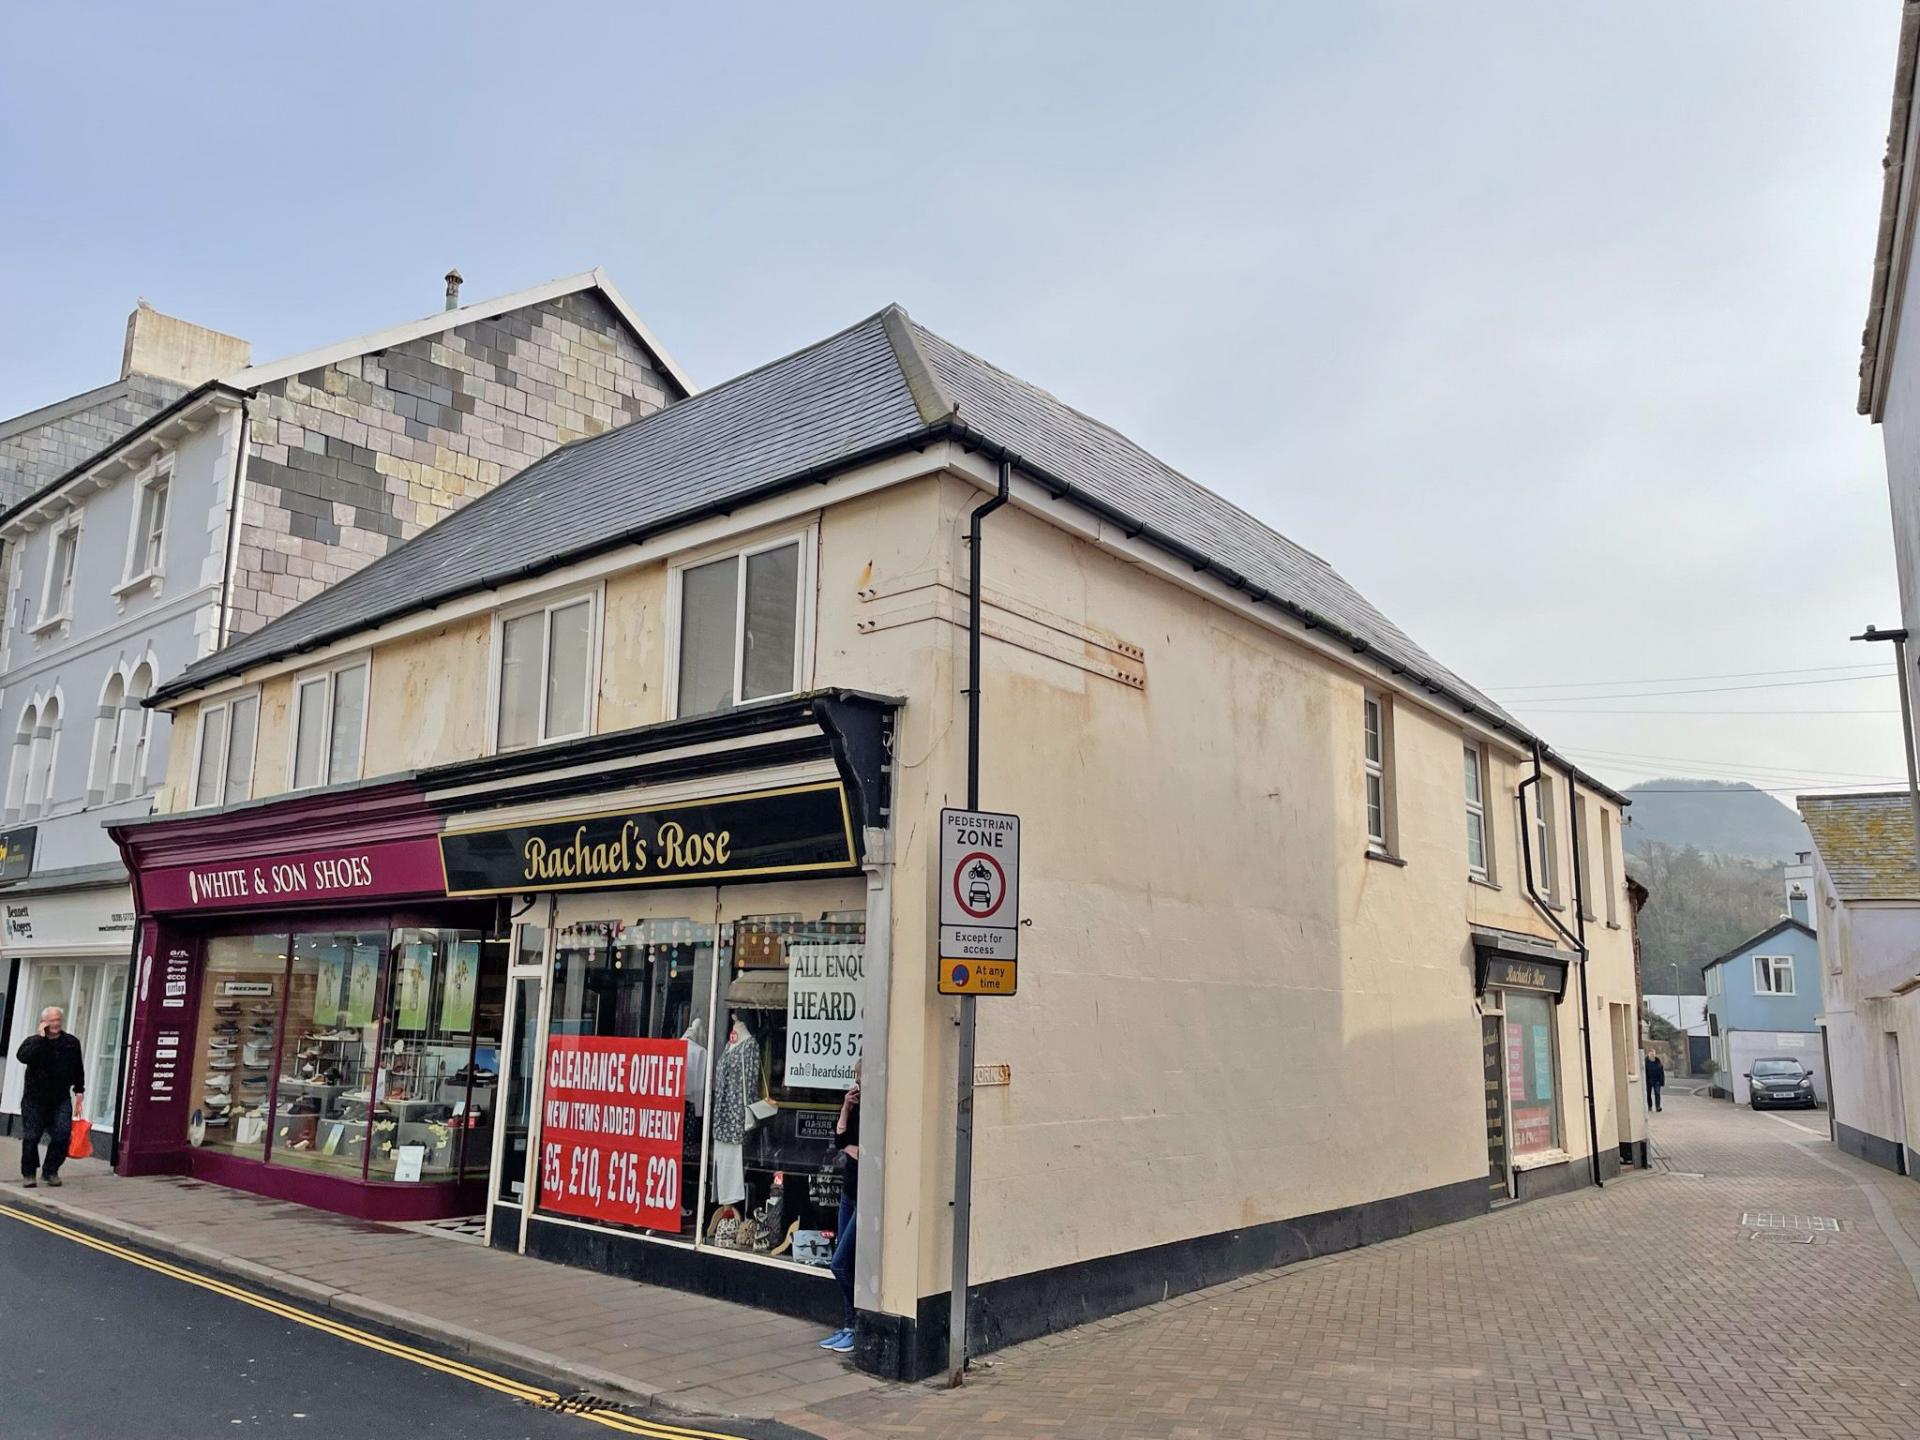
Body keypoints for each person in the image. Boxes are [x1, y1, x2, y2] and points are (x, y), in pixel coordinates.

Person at [15, 1006, 85, 1187]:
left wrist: (79, 1092)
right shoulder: (33, 1042)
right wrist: (40, 1037)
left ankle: (51, 1171)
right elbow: (22, 1057)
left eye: (58, 1020)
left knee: (62, 1135)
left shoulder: (71, 1043)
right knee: (31, 1137)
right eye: (52, 1020)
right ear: (43, 1022)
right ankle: (29, 1174)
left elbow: (78, 1067)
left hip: (60, 1098)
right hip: (34, 1099)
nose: (56, 1024)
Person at [820, 1060, 860, 1355]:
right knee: (847, 1263)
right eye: (855, 1078)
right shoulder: (857, 1107)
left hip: (864, 1196)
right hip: (849, 1192)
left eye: (860, 1078)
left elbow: (866, 1151)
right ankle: (849, 1326)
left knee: (840, 1263)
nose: (857, 1084)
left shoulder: (878, 1109)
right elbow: (840, 1141)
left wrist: (851, 1148)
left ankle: (859, 1322)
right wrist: (845, 1107)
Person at [1644, 1048, 1666, 1113]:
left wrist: (1661, 1081)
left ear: (1655, 1055)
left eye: (1653, 1054)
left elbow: (1662, 1073)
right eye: (1651, 1054)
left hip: (1657, 1080)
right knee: (1648, 1094)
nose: (1652, 1055)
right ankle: (1650, 1106)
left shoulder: (1658, 1062)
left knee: (1657, 1093)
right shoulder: (1645, 1062)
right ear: (1648, 1055)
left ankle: (1658, 1107)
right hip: (1648, 1080)